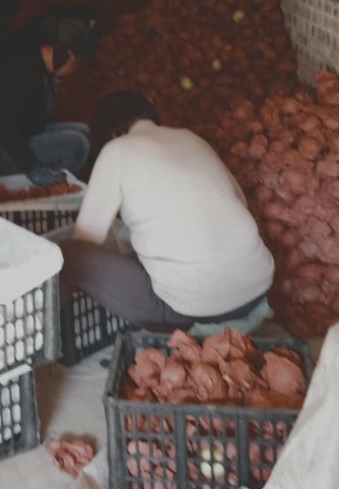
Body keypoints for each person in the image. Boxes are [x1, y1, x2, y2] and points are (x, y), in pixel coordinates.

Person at [60, 91, 274, 328]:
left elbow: (86, 240)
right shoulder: (191, 137)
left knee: (69, 255)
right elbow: (240, 201)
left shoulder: (116, 149)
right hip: (259, 285)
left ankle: (58, 328)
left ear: (108, 133)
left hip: (190, 309)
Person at [0, 15, 94, 186]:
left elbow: (33, 120)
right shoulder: (24, 71)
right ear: (69, 54)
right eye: (78, 62)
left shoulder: (40, 65)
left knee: (83, 131)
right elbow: (2, 124)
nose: (75, 68)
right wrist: (33, 169)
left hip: (13, 139)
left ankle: (54, 180)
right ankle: (51, 187)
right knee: (78, 145)